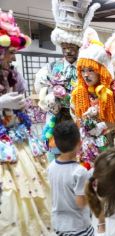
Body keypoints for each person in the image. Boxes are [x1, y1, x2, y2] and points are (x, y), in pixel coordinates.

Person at [0, 9, 52, 235]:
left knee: (34, 186)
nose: (13, 57)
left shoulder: (14, 75)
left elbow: (23, 104)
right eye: (9, 52)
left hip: (17, 140)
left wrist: (21, 105)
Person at [35, 0, 100, 162]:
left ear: (78, 46)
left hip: (81, 119)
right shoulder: (51, 67)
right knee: (58, 155)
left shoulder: (87, 68)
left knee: (82, 156)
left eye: (72, 46)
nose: (68, 51)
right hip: (58, 120)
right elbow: (41, 90)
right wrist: (48, 98)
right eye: (64, 47)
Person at [71, 27, 115, 166]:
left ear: (102, 71)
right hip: (89, 143)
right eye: (83, 70)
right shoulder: (78, 92)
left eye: (91, 70)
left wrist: (103, 126)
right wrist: (85, 126)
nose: (86, 75)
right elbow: (76, 116)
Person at [47, 121, 93, 235]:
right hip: (79, 226)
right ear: (80, 143)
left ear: (56, 144)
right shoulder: (80, 172)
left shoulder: (51, 166)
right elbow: (81, 203)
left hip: (59, 225)